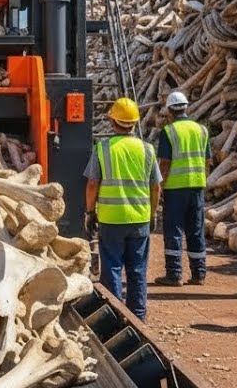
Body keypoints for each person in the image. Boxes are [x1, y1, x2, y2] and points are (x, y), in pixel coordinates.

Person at [84, 97, 161, 321]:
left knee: (112, 269)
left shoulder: (103, 149)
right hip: (139, 219)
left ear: (112, 122)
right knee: (137, 271)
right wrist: (153, 212)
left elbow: (92, 184)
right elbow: (155, 186)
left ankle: (115, 317)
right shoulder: (147, 150)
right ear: (135, 123)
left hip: (111, 220)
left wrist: (90, 212)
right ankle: (138, 317)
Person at [154, 91, 210, 287]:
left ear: (169, 110)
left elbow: (165, 163)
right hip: (196, 186)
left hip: (176, 188)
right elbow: (207, 159)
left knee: (174, 231)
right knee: (196, 230)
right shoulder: (201, 130)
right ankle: (199, 274)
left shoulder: (169, 132)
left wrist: (159, 186)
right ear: (186, 107)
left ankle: (174, 274)